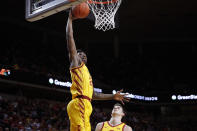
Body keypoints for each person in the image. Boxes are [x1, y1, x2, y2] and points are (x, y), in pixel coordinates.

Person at [66, 11, 130, 131]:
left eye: (84, 54)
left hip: (86, 105)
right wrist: (70, 19)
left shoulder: (86, 73)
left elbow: (94, 95)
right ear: (75, 56)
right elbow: (70, 38)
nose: (83, 55)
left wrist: (113, 96)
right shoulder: (76, 65)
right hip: (79, 103)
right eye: (80, 54)